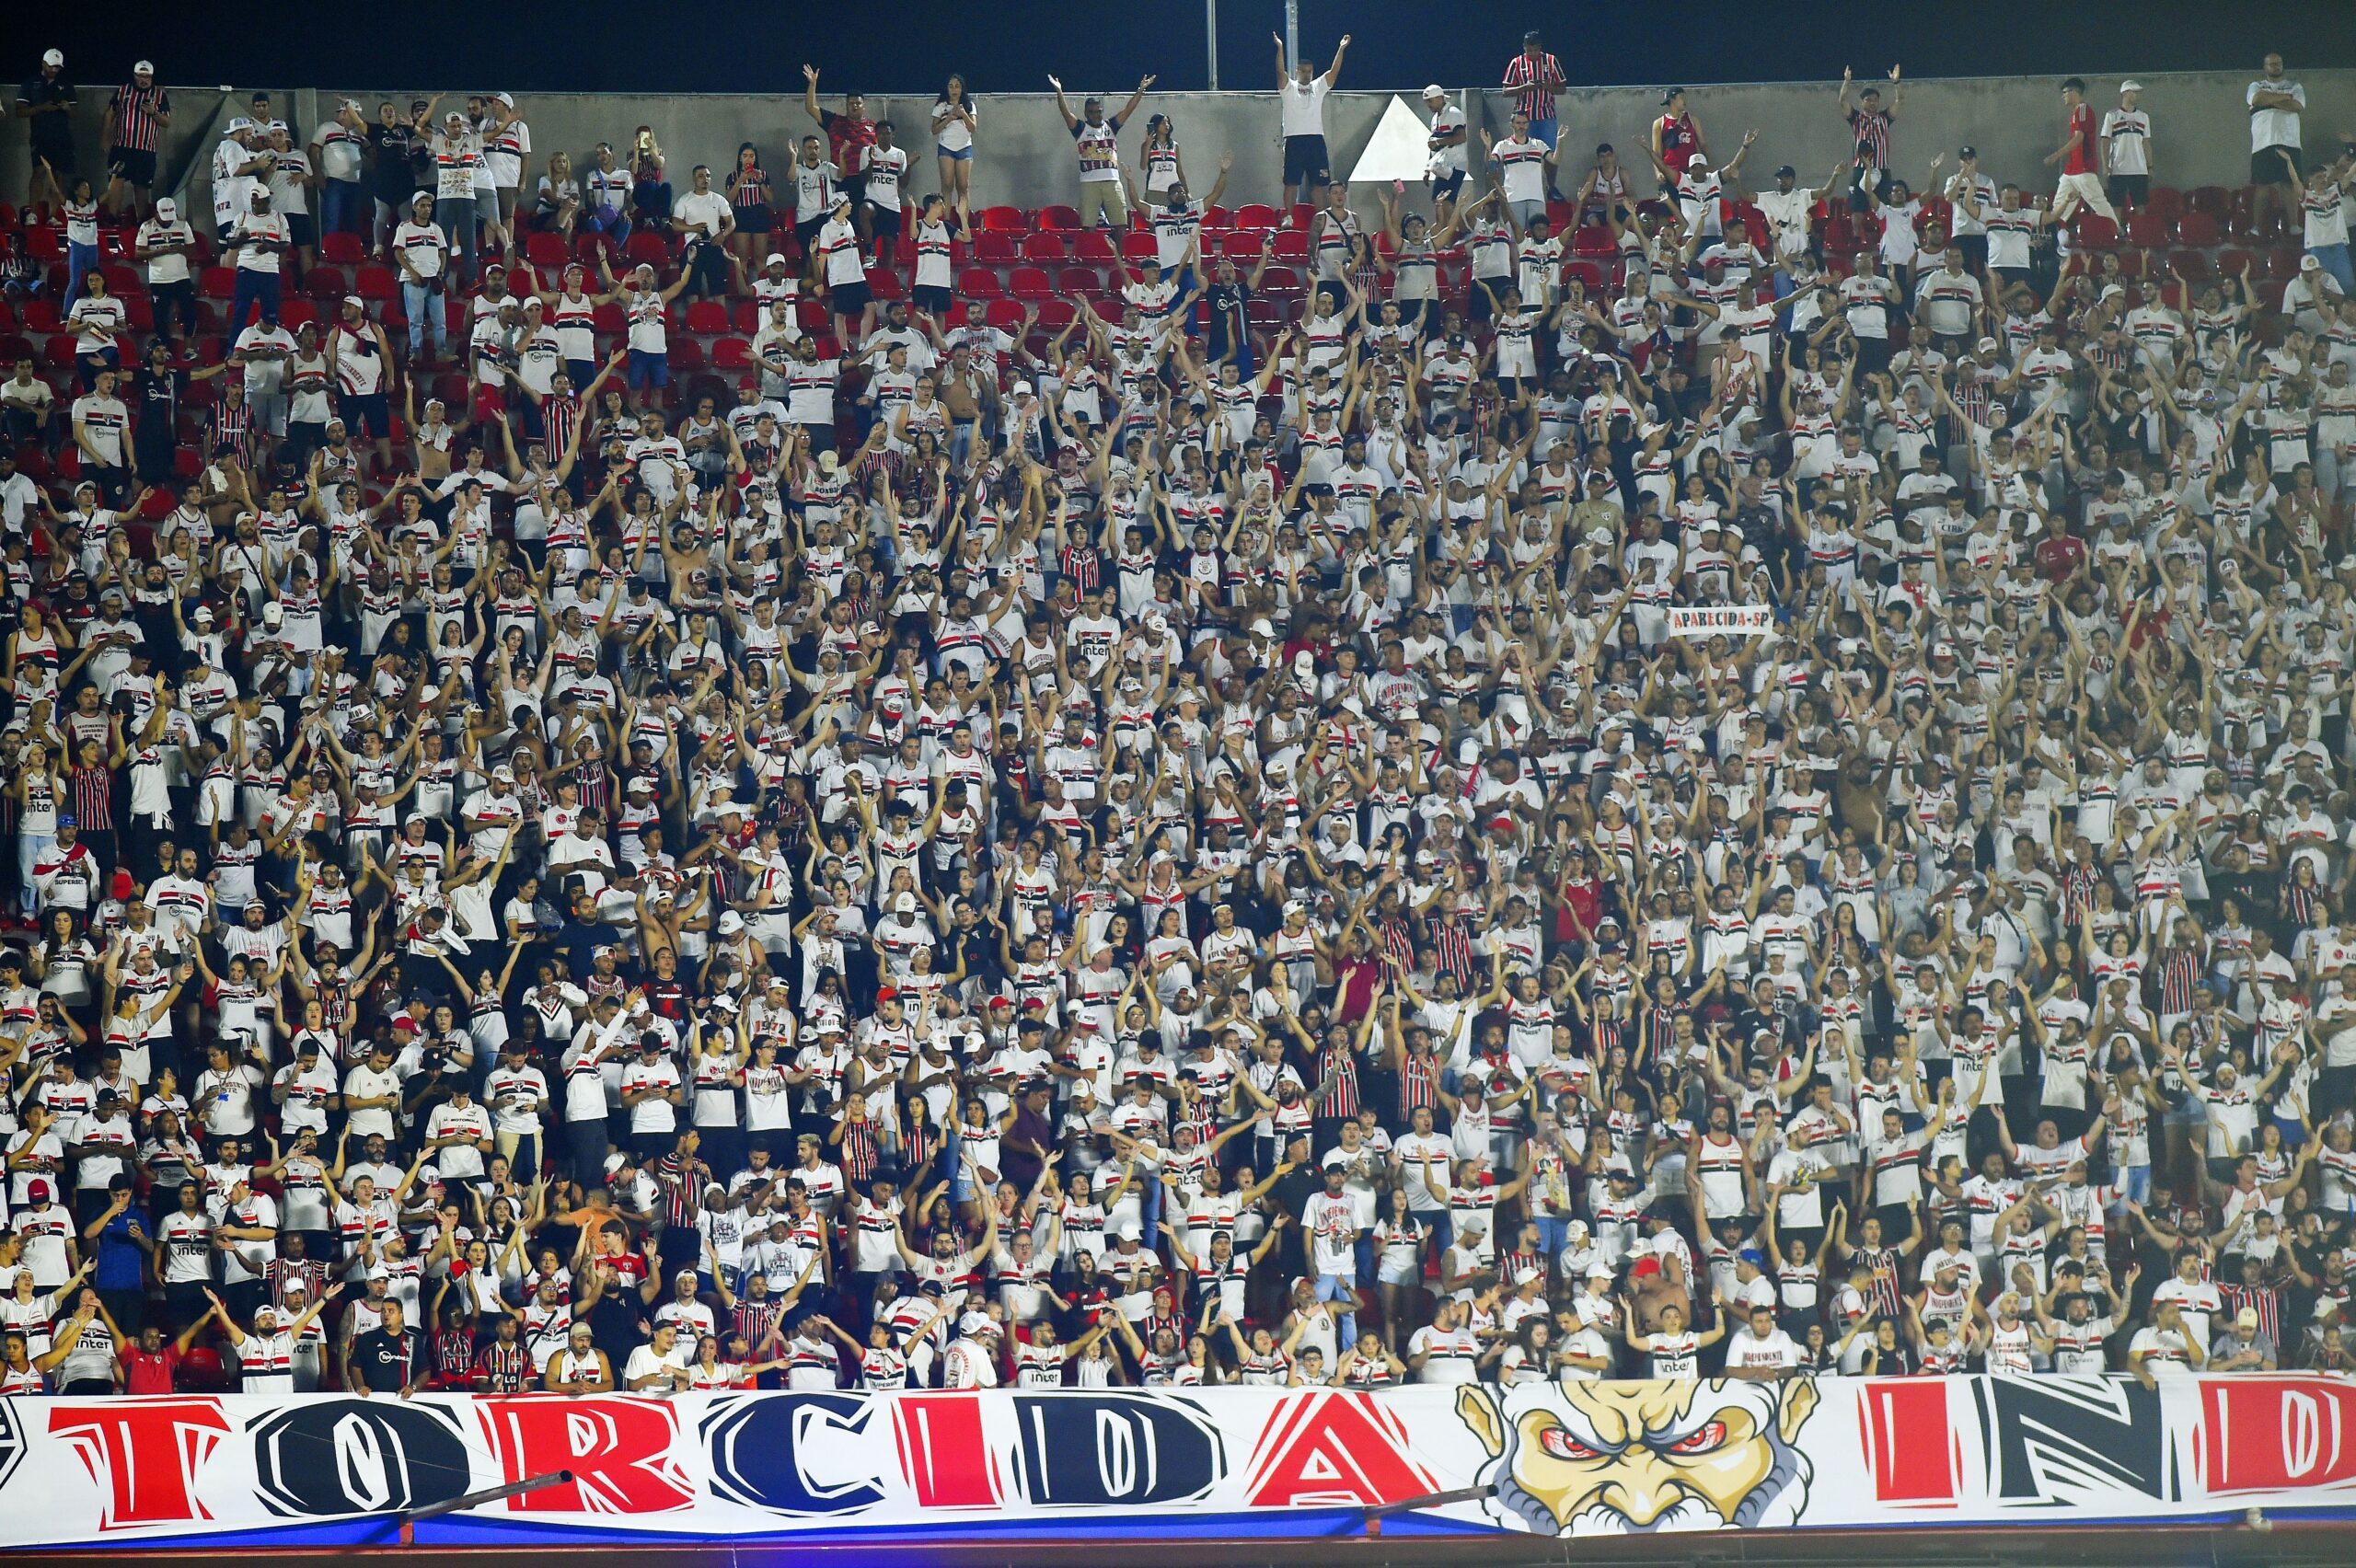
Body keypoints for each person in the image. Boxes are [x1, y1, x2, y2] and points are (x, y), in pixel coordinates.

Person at [1050, 71, 1153, 230]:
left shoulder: (1110, 126)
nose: (1096, 115)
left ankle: (1119, 248)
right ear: (1086, 113)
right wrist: (1059, 91)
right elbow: (1066, 113)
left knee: (1121, 223)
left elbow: (1128, 110)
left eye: (1098, 111)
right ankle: (1090, 247)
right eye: (1092, 112)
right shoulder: (1081, 129)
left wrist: (1140, 90)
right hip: (1089, 183)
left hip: (1112, 180)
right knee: (1088, 225)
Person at [1274, 32, 1348, 211]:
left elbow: (1333, 72)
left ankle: (1321, 218)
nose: (1306, 74)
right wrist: (1280, 48)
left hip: (1315, 140)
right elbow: (1280, 72)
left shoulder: (1318, 87)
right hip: (1294, 140)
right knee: (1291, 182)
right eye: (1303, 71)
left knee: (1319, 183)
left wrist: (1341, 48)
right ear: (1297, 71)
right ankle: (1289, 217)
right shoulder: (1289, 87)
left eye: (1309, 71)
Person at [2247, 52, 2306, 234]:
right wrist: (2284, 98)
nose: (2276, 66)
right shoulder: (2256, 85)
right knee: (2262, 185)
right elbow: (2256, 99)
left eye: (2279, 63)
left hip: (2290, 140)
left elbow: (2297, 106)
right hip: (2263, 142)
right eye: (2272, 64)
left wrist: (2269, 101)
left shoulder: (2294, 86)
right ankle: (2257, 227)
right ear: (2265, 67)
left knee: (2289, 184)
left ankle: (2294, 225)